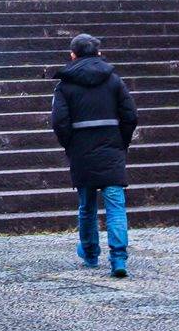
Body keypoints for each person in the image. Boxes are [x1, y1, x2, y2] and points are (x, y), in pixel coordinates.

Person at [50, 32, 138, 278]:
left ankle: (90, 253)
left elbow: (59, 121)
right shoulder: (114, 81)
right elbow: (130, 115)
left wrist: (70, 144)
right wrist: (121, 141)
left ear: (73, 55)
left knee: (86, 206)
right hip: (111, 147)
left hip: (81, 148)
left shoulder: (65, 85)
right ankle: (118, 258)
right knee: (116, 205)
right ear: (99, 53)